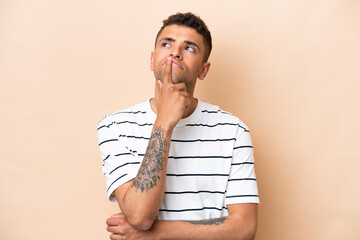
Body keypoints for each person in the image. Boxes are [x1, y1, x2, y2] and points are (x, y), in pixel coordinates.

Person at [97, 12, 259, 240]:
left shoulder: (233, 131)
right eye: (167, 44)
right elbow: (140, 215)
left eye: (189, 48)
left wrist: (154, 235)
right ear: (152, 59)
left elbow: (244, 229)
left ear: (204, 69)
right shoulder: (115, 126)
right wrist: (165, 121)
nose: (175, 52)